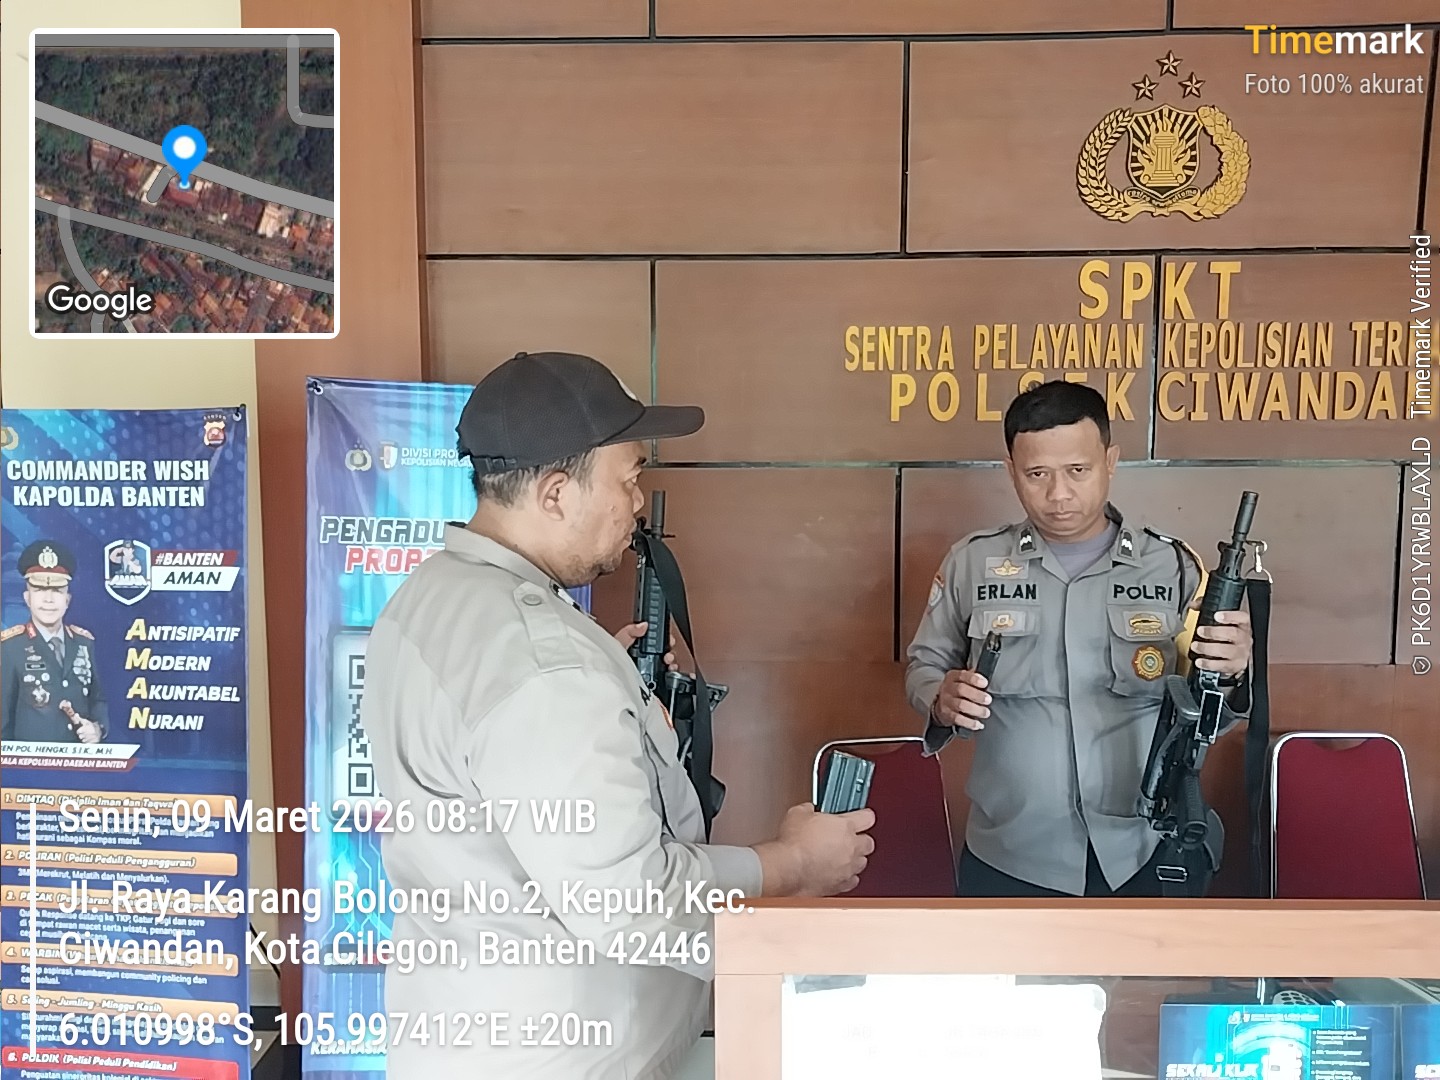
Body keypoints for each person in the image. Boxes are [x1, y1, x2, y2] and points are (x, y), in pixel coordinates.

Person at [360, 351, 875, 1078]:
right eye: (628, 479)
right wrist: (792, 864)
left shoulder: (430, 597)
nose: (638, 503)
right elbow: (629, 903)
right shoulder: (548, 667)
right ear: (555, 493)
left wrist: (610, 687)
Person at [905, 381, 1252, 898]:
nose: (1059, 494)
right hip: (1011, 855)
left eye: (1077, 470)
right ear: (1011, 471)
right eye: (1037, 474)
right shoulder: (972, 563)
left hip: (1140, 849)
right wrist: (941, 697)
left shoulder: (1174, 568)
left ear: (1110, 461)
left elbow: (1205, 712)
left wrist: (1232, 672)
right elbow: (924, 666)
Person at [1, 540, 107, 744]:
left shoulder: (84, 643)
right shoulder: (9, 647)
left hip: (79, 761)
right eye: (40, 590)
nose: (48, 599)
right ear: (27, 598)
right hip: (30, 764)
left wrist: (98, 728)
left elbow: (98, 700)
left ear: (67, 599)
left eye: (57, 590)